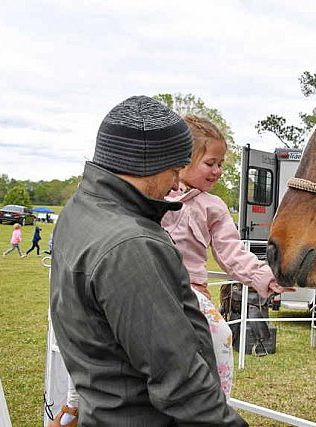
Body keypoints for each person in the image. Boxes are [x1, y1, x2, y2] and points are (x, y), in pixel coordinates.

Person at [50, 96, 247, 426]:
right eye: (173, 170)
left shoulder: (81, 208)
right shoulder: (130, 245)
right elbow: (179, 380)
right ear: (146, 161)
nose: (175, 183)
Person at [161, 114, 289, 397]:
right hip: (151, 288)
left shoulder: (213, 207)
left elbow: (232, 253)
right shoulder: (155, 195)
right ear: (182, 159)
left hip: (190, 291)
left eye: (220, 164)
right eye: (210, 163)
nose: (218, 171)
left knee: (220, 336)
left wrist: (265, 276)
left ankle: (217, 403)